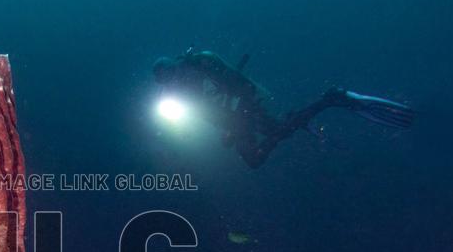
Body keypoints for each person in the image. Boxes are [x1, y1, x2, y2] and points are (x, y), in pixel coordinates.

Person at [153, 48, 414, 167]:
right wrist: (229, 129)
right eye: (168, 82)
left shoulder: (200, 66)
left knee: (261, 151)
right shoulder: (181, 93)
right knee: (274, 137)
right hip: (236, 119)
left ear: (176, 67)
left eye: (173, 76)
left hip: (244, 110)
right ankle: (323, 103)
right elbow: (210, 113)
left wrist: (241, 113)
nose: (174, 82)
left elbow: (240, 86)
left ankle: (329, 99)